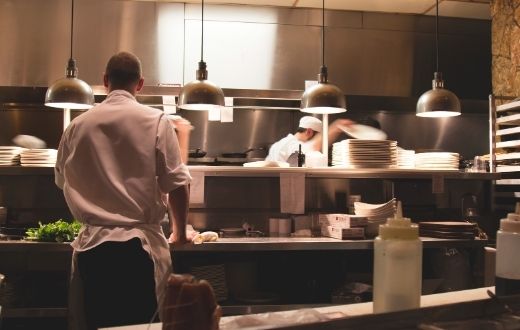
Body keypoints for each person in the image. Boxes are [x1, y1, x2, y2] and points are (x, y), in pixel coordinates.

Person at [54, 51, 191, 329]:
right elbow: (177, 184)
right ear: (139, 84)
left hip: (92, 250)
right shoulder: (156, 121)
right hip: (138, 251)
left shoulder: (76, 125)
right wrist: (179, 232)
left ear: (105, 81)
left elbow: (61, 180)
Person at [265, 116, 352, 162]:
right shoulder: (293, 145)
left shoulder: (278, 144)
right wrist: (336, 126)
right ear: (309, 132)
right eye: (318, 136)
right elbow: (313, 146)